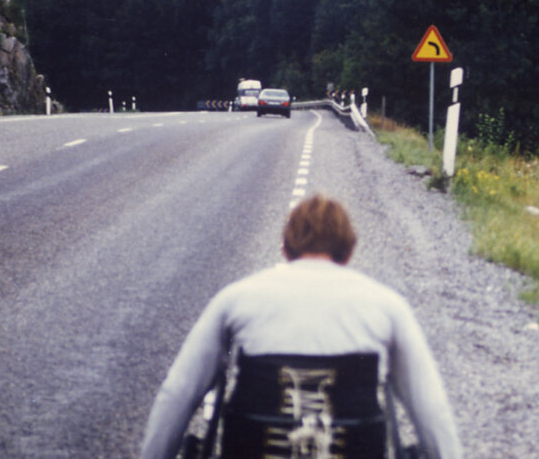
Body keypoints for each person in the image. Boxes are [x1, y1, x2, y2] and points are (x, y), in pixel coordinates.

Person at [140, 194, 462, 459]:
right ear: (349, 251)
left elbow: (178, 393)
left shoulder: (235, 299)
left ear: (285, 248)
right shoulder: (388, 306)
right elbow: (431, 411)